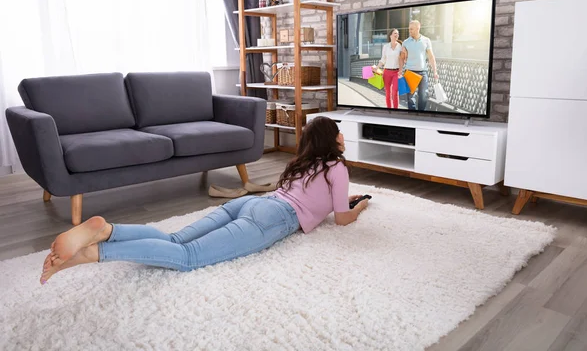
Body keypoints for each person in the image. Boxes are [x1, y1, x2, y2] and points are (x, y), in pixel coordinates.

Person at [40, 117, 370, 284]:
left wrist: (341, 199)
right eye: (339, 132)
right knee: (189, 256)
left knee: (176, 238)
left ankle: (106, 230)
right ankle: (99, 250)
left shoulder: (304, 163)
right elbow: (341, 219)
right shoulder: (338, 167)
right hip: (273, 218)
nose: (343, 136)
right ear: (334, 139)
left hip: (251, 204)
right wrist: (361, 207)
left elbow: (324, 200)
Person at [400, 20, 439, 111]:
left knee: (423, 95)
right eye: (409, 29)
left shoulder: (426, 40)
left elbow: (431, 57)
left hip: (423, 72)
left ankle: (421, 114)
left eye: (411, 29)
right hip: (409, 72)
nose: (409, 31)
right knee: (410, 96)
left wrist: (435, 71)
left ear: (418, 28)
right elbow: (402, 58)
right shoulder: (405, 42)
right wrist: (400, 70)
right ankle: (412, 115)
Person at [373, 29, 403, 109]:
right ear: (390, 36)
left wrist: (401, 70)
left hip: (396, 72)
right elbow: (383, 59)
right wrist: (377, 67)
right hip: (387, 72)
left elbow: (401, 60)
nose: (397, 35)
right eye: (395, 33)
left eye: (398, 34)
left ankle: (395, 110)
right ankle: (389, 110)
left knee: (395, 91)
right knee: (388, 92)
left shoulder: (400, 46)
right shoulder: (386, 47)